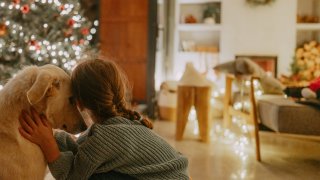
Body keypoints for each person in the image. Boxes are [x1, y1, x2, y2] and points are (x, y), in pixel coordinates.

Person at [18, 58, 189, 180]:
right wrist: (52, 135)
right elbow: (81, 150)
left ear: (79, 103)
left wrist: (48, 144)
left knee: (93, 176)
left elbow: (71, 176)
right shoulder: (119, 124)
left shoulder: (104, 138)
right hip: (177, 174)